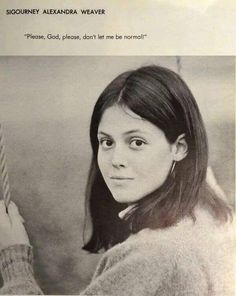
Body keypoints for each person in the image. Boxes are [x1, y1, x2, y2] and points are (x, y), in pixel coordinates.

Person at [0, 65, 235, 295]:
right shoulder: (215, 215)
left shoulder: (149, 257)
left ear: (180, 147)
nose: (115, 160)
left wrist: (14, 261)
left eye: (137, 142)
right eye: (107, 142)